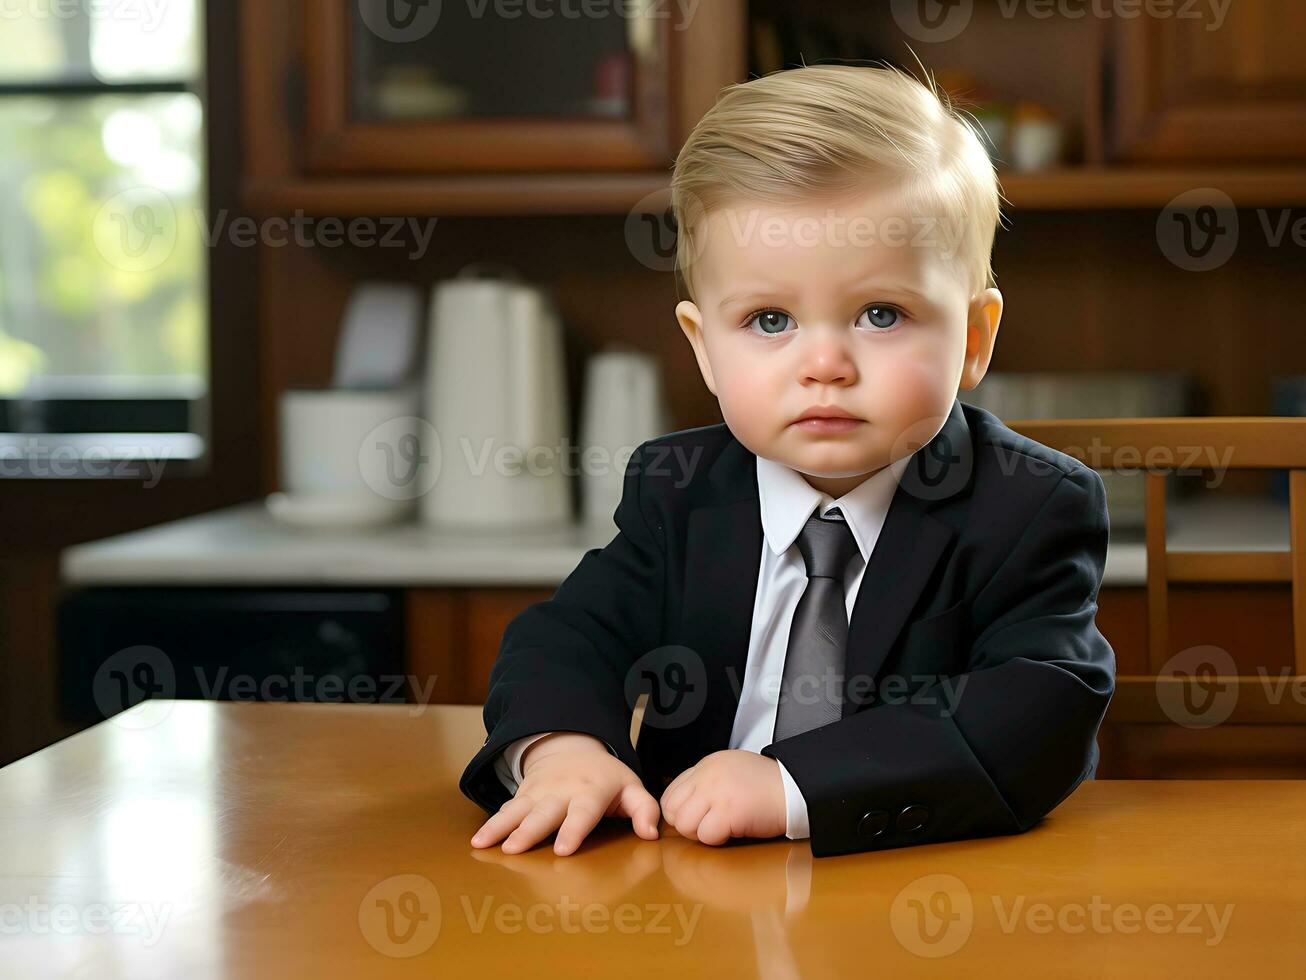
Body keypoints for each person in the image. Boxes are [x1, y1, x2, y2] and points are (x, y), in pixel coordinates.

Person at [460, 64, 1115, 858]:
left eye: (882, 314)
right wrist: (561, 750)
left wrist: (795, 785)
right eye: (769, 319)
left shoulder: (1027, 505)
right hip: (689, 892)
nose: (825, 364)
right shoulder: (680, 493)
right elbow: (565, 637)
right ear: (705, 350)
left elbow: (1038, 710)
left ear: (973, 338)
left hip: (921, 896)